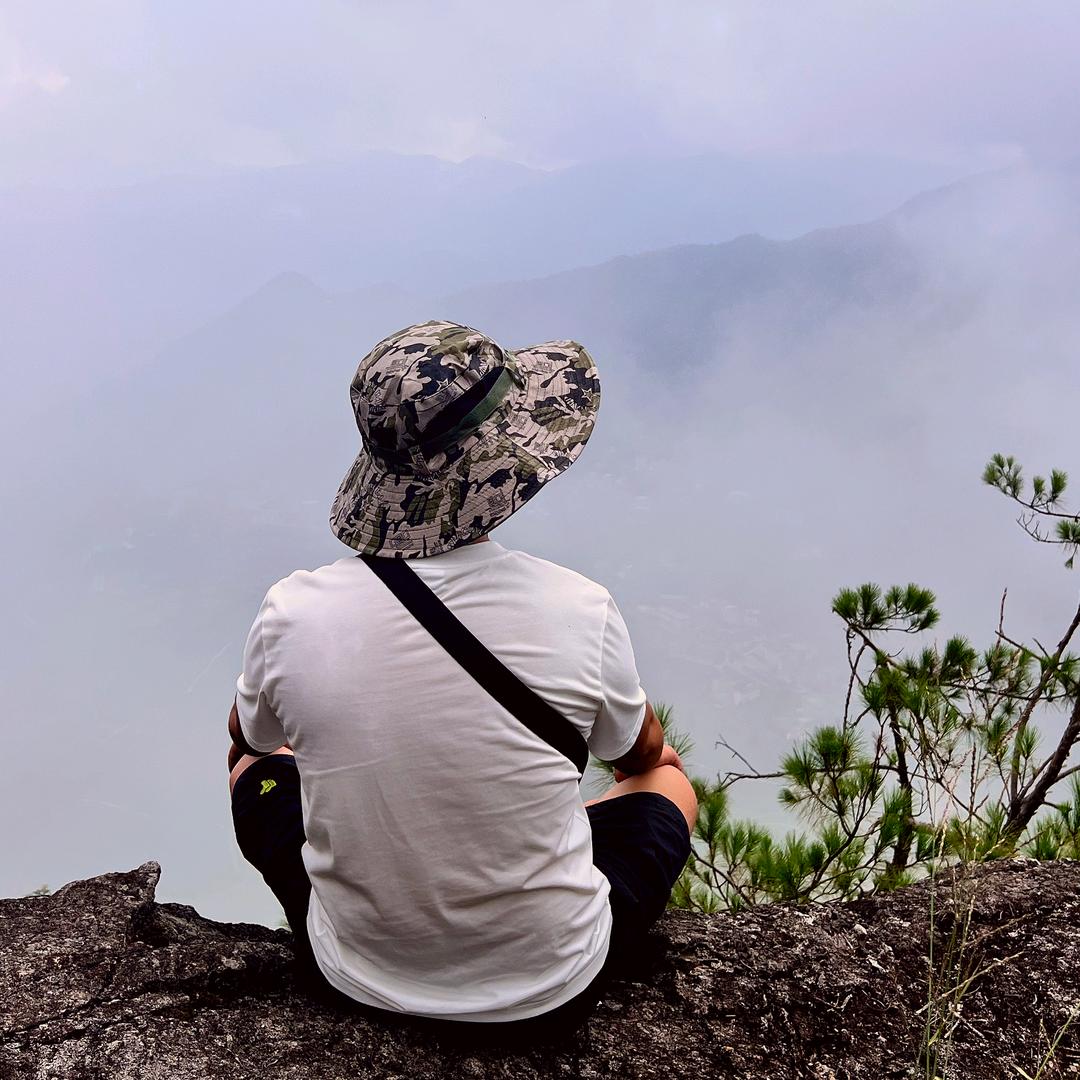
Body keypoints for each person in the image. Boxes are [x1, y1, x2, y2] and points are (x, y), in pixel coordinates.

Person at [228, 320, 697, 1035]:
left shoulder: (293, 609)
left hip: (353, 974)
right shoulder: (578, 607)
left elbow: (249, 735)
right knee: (670, 780)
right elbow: (641, 758)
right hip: (553, 984)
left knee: (253, 763)